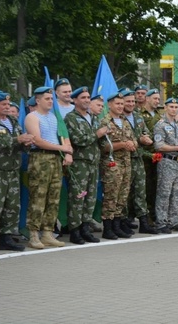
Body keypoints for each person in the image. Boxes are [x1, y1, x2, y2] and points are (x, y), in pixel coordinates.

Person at [24, 86, 73, 249]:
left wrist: (67, 151)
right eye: (47, 98)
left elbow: (64, 137)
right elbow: (37, 140)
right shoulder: (32, 117)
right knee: (38, 196)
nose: (51, 101)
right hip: (40, 158)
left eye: (52, 99)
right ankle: (33, 233)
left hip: (55, 160)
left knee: (53, 197)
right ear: (37, 100)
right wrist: (62, 148)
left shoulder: (54, 117)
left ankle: (47, 232)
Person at [0, 92, 33, 254]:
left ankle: (7, 238)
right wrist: (17, 140)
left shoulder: (12, 120)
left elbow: (20, 139)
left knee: (12, 205)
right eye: (3, 104)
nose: (7, 107)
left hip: (12, 170)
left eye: (8, 104)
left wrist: (26, 142)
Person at [64, 87, 107, 244]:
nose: (87, 100)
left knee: (90, 197)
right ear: (75, 100)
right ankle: (74, 230)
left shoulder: (93, 118)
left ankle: (85, 227)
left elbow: (99, 141)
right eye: (83, 97)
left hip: (93, 163)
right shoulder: (71, 118)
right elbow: (78, 140)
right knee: (78, 197)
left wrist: (105, 135)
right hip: (80, 164)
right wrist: (98, 134)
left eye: (88, 97)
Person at [98, 91, 137, 239]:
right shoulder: (105, 122)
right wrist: (123, 144)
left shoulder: (125, 121)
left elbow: (134, 140)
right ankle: (107, 228)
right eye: (118, 104)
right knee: (111, 196)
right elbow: (103, 147)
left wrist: (133, 144)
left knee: (123, 195)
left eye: (122, 103)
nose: (121, 106)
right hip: (112, 164)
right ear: (109, 105)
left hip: (126, 163)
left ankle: (117, 225)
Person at [153, 97, 178, 233]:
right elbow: (159, 145)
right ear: (165, 108)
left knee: (176, 193)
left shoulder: (177, 125)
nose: (174, 109)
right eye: (171, 107)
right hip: (166, 161)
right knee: (164, 192)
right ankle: (161, 222)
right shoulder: (160, 125)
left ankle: (173, 220)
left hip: (177, 161)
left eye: (176, 107)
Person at [122, 91, 159, 234]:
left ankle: (144, 222)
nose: (131, 104)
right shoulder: (118, 118)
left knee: (140, 191)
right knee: (124, 193)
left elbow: (146, 132)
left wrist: (146, 138)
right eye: (127, 102)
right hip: (124, 159)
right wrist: (140, 140)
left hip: (138, 158)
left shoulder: (137, 117)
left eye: (132, 101)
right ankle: (123, 220)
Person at [140, 88, 163, 221]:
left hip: (159, 154)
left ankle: (155, 214)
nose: (157, 101)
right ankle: (147, 215)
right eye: (154, 98)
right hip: (146, 155)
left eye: (158, 99)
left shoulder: (160, 115)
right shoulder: (140, 114)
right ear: (147, 98)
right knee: (146, 187)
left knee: (156, 187)